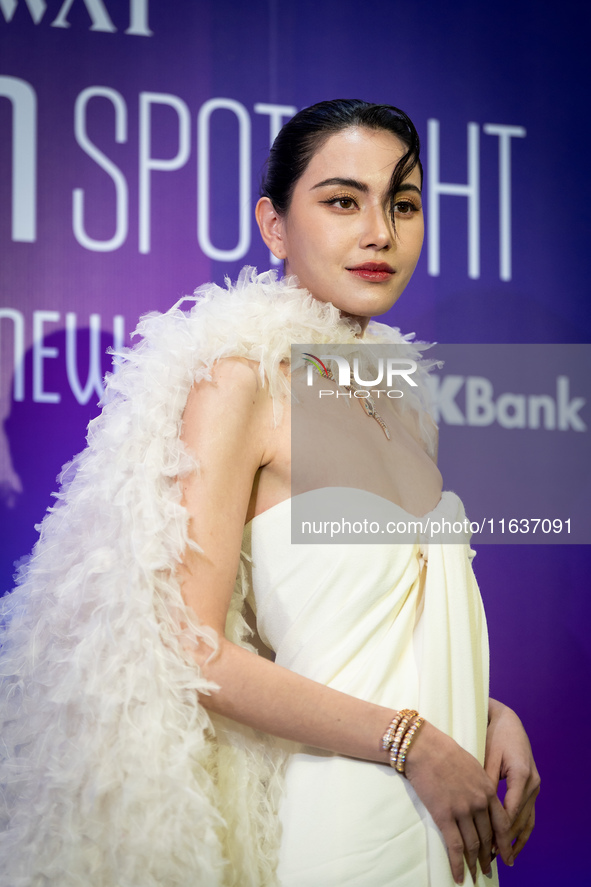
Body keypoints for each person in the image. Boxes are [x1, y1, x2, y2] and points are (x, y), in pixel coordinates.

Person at [0, 100, 539, 887]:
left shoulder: (404, 401)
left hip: (454, 816)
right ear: (274, 225)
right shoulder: (242, 380)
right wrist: (409, 742)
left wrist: (487, 713)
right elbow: (191, 647)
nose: (379, 232)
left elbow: (373, 638)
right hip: (349, 817)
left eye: (403, 204)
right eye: (342, 201)